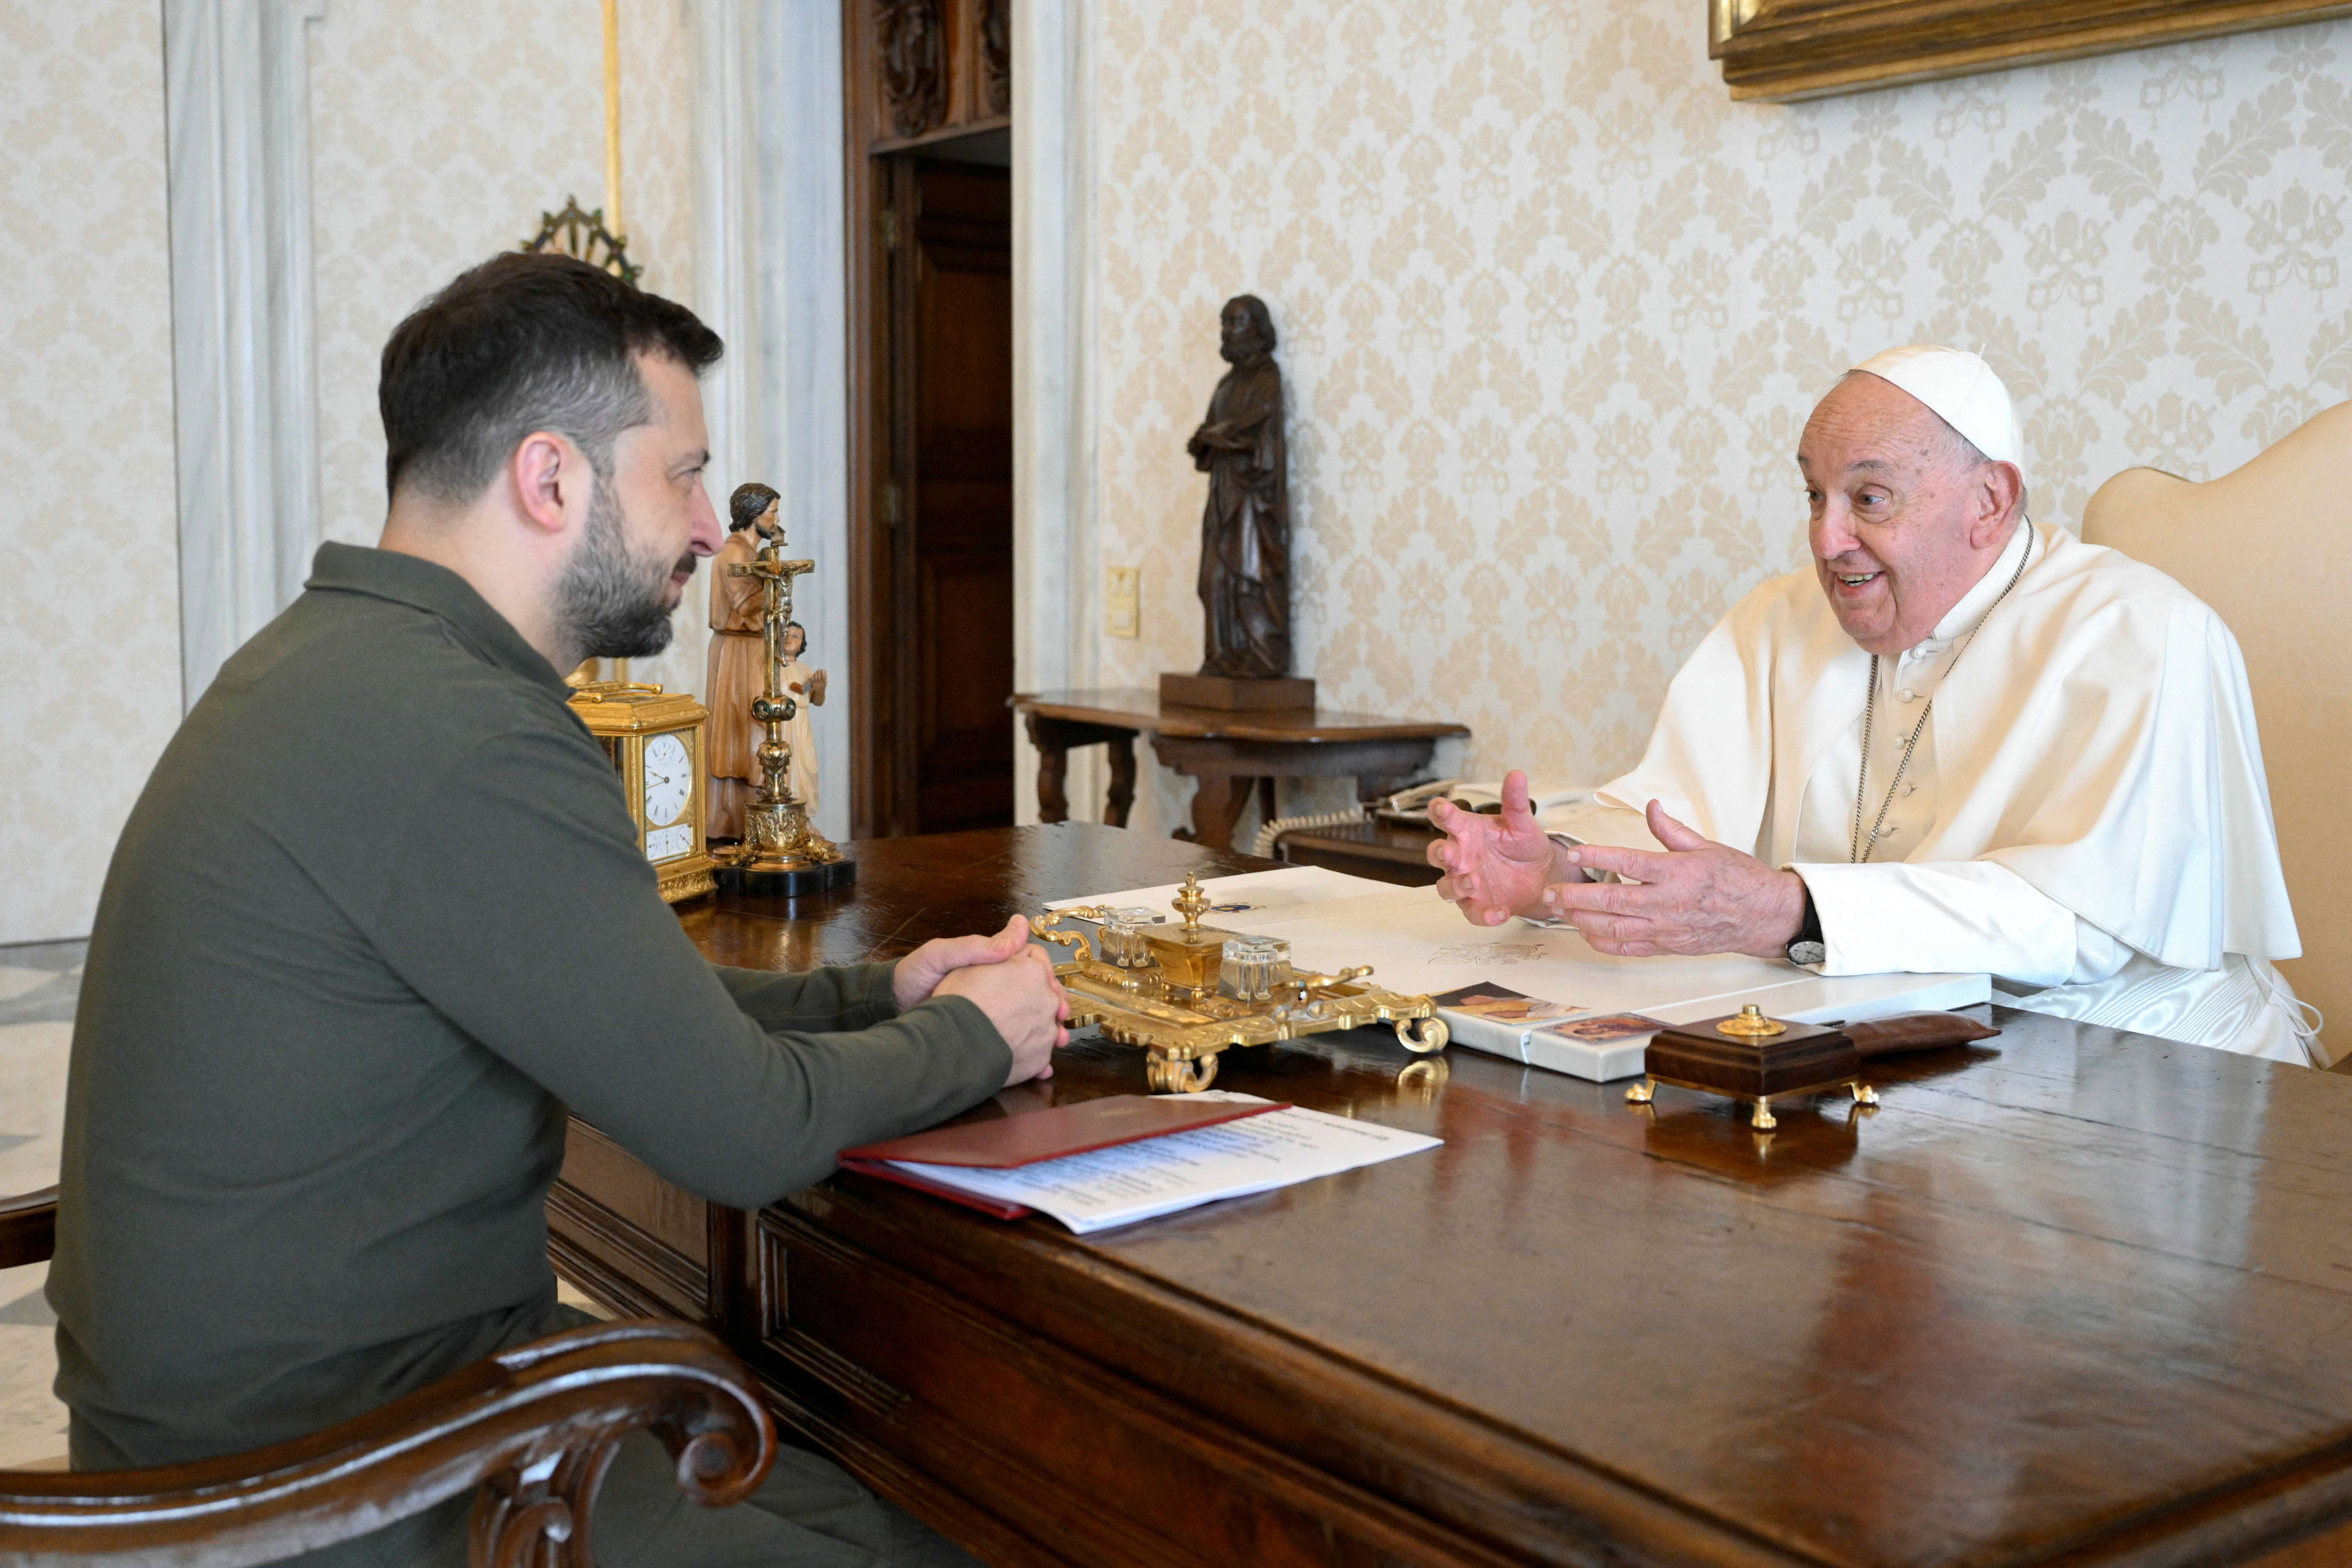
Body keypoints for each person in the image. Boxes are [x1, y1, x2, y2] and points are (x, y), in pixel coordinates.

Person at [48, 252, 1068, 1565]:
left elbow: (612, 998)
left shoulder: (350, 658)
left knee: (861, 1480)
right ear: (550, 478)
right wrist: (986, 1035)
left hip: (292, 1415)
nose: (710, 527)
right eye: (684, 473)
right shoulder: (462, 731)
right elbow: (743, 1130)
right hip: (308, 1486)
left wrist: (880, 993)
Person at [1428, 344, 2319, 1065]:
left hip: (2135, 1062)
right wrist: (1560, 865)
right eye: (1813, 495)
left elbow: (2082, 922)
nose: (1824, 538)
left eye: (1867, 497)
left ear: (1987, 501)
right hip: (1877, 1049)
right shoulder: (1780, 618)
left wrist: (1792, 910)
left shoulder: (2137, 635)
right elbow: (1670, 815)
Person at [706, 482, 779, 838]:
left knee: (758, 726)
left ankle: (759, 813)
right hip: (738, 651)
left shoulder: (752, 553)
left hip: (752, 648)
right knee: (743, 730)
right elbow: (748, 608)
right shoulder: (735, 554)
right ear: (753, 514)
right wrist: (774, 582)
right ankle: (735, 818)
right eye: (772, 512)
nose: (776, 519)